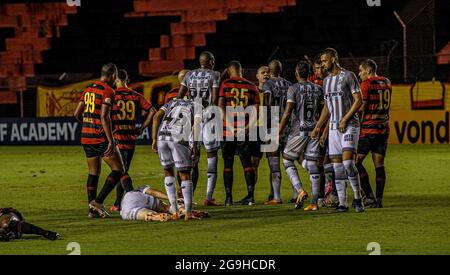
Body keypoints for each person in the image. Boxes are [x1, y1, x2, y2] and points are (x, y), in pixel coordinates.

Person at [74, 63, 133, 218]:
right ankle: (98, 202)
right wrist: (111, 140)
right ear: (113, 75)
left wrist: (87, 124)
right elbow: (104, 116)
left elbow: (76, 114)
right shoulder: (108, 91)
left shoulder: (87, 89)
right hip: (100, 137)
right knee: (119, 169)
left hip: (86, 137)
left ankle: (92, 211)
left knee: (93, 172)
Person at [312, 48, 364, 213]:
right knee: (337, 168)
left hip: (350, 125)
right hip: (334, 128)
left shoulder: (348, 76)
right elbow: (327, 108)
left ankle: (358, 197)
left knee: (348, 163)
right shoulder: (326, 81)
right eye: (321, 62)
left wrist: (345, 119)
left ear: (333, 59)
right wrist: (319, 127)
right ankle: (343, 203)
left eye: (325, 61)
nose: (322, 64)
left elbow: (358, 100)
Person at [177, 51, 221, 206]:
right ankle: (208, 197)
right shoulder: (215, 74)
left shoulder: (189, 75)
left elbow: (180, 96)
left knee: (191, 157)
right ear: (210, 61)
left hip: (191, 117)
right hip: (207, 117)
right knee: (212, 155)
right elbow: (214, 99)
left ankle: (184, 197)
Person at [279, 61, 323, 210]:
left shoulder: (293, 88)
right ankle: (314, 203)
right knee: (312, 164)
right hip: (315, 129)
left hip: (299, 130)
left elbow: (287, 112)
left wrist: (278, 131)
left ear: (296, 73)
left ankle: (300, 190)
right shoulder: (318, 88)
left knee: (287, 160)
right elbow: (323, 110)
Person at [110, 69, 156, 212]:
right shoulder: (136, 96)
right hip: (131, 138)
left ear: (115, 79)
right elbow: (152, 111)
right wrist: (142, 127)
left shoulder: (112, 95)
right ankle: (117, 204)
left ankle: (134, 198)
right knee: (122, 170)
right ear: (127, 79)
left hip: (117, 138)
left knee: (121, 171)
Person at [152, 98, 202, 220]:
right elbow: (196, 124)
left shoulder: (172, 102)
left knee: (168, 171)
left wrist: (154, 139)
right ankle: (188, 214)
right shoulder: (198, 105)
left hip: (163, 136)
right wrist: (194, 145)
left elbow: (156, 117)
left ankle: (174, 210)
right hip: (178, 137)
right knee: (184, 174)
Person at [218, 60, 260, 206]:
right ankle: (250, 197)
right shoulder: (251, 85)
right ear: (241, 70)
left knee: (228, 164)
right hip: (244, 130)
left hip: (228, 131)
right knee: (247, 164)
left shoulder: (225, 84)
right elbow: (256, 111)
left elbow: (220, 107)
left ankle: (228, 198)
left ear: (230, 71)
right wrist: (248, 128)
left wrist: (230, 126)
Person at [356, 59, 392, 208]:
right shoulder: (387, 82)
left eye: (361, 71)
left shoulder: (366, 84)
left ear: (368, 71)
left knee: (354, 162)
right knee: (379, 165)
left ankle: (369, 196)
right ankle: (379, 200)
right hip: (383, 129)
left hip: (369, 129)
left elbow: (362, 107)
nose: (359, 74)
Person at [262, 59, 296, 204]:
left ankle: (276, 197)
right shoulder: (289, 84)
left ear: (269, 71)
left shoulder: (268, 84)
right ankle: (296, 193)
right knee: (289, 160)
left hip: (272, 125)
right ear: (280, 70)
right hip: (287, 126)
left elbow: (267, 103)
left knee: (274, 163)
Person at [120, 185, 209, 221]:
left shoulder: (130, 195)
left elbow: (152, 193)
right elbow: (153, 192)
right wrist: (172, 198)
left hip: (127, 208)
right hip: (140, 197)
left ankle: (155, 216)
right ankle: (184, 210)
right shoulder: (141, 188)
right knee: (166, 207)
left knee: (144, 214)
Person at [252, 66, 270, 197]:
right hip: (256, 129)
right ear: (257, 76)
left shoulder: (274, 91)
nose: (266, 75)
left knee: (273, 163)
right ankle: (250, 193)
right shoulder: (253, 91)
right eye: (262, 73)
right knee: (254, 163)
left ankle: (274, 194)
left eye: (268, 72)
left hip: (270, 128)